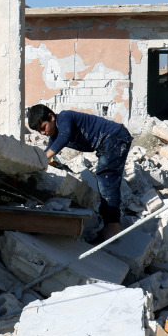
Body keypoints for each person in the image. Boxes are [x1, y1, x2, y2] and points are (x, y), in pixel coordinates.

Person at [27, 103, 132, 240]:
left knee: (107, 179)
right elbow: (48, 151)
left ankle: (113, 228)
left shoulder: (64, 117)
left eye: (43, 128)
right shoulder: (55, 135)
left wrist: (43, 159)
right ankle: (108, 225)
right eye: (39, 132)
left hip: (115, 137)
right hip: (107, 143)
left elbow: (64, 137)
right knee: (104, 179)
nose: (43, 133)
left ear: (51, 117)